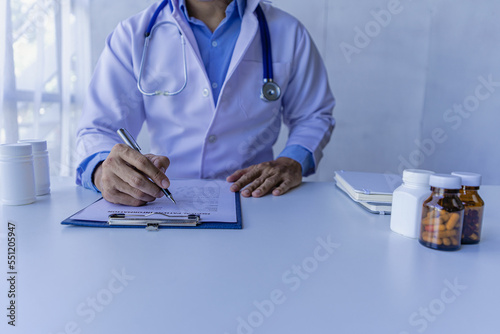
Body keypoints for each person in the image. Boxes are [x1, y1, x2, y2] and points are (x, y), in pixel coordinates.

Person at [76, 0, 335, 206]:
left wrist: (292, 161)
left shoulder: (287, 31)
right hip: (165, 201)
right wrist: (102, 171)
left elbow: (313, 115)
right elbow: (98, 128)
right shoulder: (133, 34)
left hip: (257, 200)